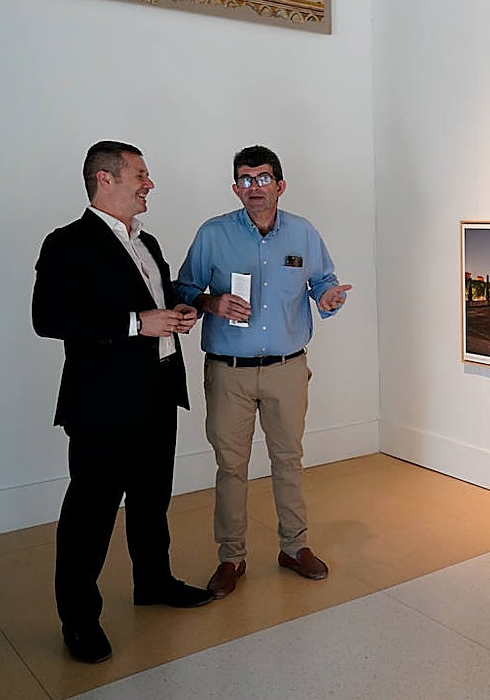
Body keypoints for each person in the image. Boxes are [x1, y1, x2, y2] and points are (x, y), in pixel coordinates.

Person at [32, 140, 211, 664]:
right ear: (104, 179)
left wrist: (180, 310)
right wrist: (136, 323)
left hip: (159, 390)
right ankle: (79, 620)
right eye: (140, 174)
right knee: (90, 514)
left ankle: (153, 582)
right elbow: (48, 319)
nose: (149, 183)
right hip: (102, 404)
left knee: (152, 500)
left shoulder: (146, 240)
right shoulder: (67, 242)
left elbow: (155, 302)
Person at [175, 146, 352, 599]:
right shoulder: (213, 234)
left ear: (280, 185)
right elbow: (185, 289)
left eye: (264, 178)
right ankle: (231, 557)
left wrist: (328, 297)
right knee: (231, 466)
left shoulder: (303, 233)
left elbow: (323, 281)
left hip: (287, 370)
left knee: (288, 460)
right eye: (246, 179)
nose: (255, 187)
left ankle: (294, 547)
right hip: (229, 373)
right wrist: (211, 302)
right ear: (236, 188)